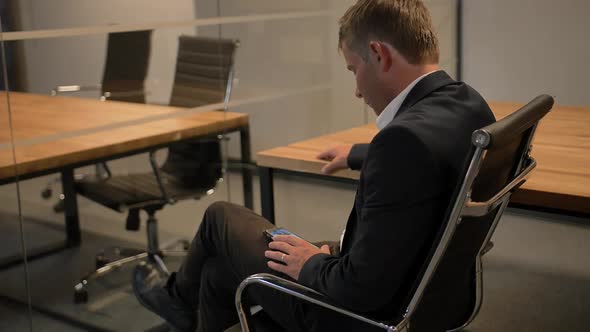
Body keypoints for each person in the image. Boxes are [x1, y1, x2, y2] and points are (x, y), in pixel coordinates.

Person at [132, 0, 495, 331]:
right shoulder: (468, 105)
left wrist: (313, 265)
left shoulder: (402, 144)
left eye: (354, 70)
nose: (356, 90)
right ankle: (188, 313)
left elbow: (359, 290)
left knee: (219, 219)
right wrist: (358, 153)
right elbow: (431, 153)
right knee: (214, 273)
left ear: (378, 54)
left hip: (358, 315)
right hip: (433, 293)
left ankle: (177, 301)